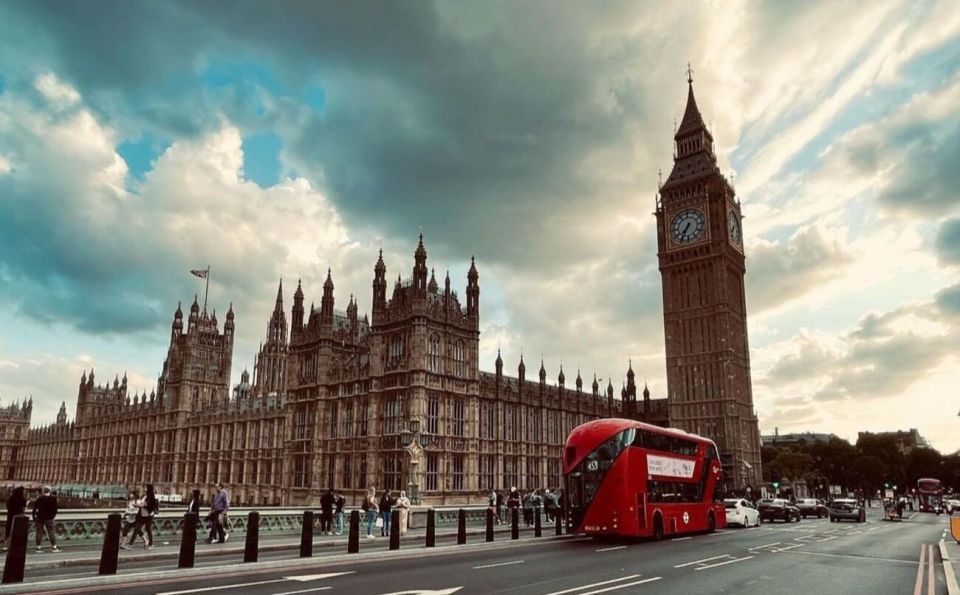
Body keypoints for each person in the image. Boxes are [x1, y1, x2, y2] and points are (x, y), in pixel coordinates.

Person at [32, 485, 60, 552]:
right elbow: (55, 509)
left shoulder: (39, 498)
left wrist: (34, 517)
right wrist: (53, 516)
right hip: (49, 518)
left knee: (39, 532)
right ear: (50, 491)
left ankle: (38, 548)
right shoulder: (53, 499)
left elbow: (34, 509)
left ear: (43, 491)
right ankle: (54, 547)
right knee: (51, 532)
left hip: (39, 517)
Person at [3, 486, 27, 551]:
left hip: (10, 517)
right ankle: (16, 546)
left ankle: (6, 546)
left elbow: (8, 507)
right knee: (17, 533)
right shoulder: (22, 499)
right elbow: (24, 509)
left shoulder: (11, 499)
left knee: (9, 532)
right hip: (19, 518)